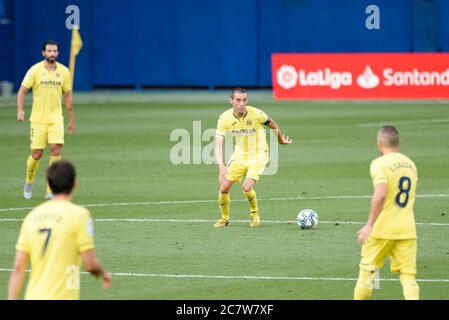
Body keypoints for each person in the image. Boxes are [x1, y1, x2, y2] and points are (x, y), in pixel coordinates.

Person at [7, 160, 111, 300]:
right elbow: (90, 264)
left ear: (49, 185)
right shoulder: (80, 215)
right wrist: (103, 273)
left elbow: (18, 266)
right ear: (74, 184)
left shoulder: (31, 217)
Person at [354, 125, 419, 300]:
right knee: (408, 278)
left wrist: (369, 224)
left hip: (382, 230)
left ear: (379, 143)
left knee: (367, 273)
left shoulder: (379, 164)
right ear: (398, 141)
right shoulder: (411, 165)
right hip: (406, 230)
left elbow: (381, 194)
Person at [214, 88, 292, 228]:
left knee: (246, 186)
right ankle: (224, 218)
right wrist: (221, 165)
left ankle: (254, 213)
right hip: (239, 155)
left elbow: (273, 124)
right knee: (224, 188)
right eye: (238, 100)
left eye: (244, 100)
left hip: (258, 154)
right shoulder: (224, 118)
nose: (241, 104)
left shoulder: (257, 114)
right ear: (231, 101)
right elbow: (219, 142)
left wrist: (280, 140)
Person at [17, 40, 75, 200]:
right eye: (49, 51)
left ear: (58, 53)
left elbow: (68, 96)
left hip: (56, 119)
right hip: (38, 120)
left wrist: (71, 120)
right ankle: (29, 181)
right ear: (43, 53)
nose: (52, 54)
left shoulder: (64, 72)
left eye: (55, 51)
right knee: (36, 154)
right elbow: (22, 91)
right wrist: (20, 110)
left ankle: (50, 190)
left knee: (55, 150)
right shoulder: (35, 70)